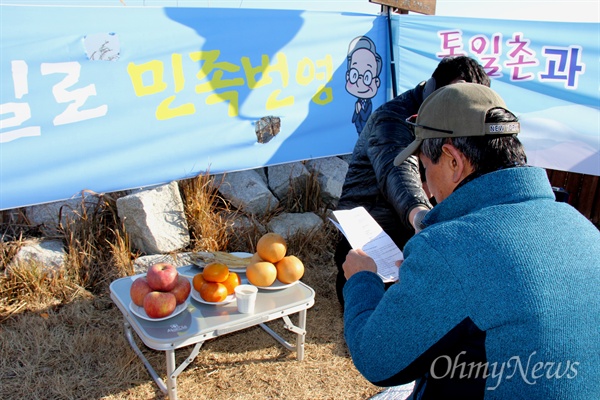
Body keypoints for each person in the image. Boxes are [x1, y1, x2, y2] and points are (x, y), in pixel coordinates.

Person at [342, 83, 600, 398]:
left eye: (425, 167)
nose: (426, 185)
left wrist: (363, 280)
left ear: (453, 161)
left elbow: (377, 359)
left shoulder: (451, 246)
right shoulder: (582, 227)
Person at [335, 56, 490, 305]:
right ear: (437, 91)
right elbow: (396, 171)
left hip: (415, 236)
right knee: (369, 324)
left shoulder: (457, 121)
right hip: (371, 239)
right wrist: (421, 216)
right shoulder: (392, 119)